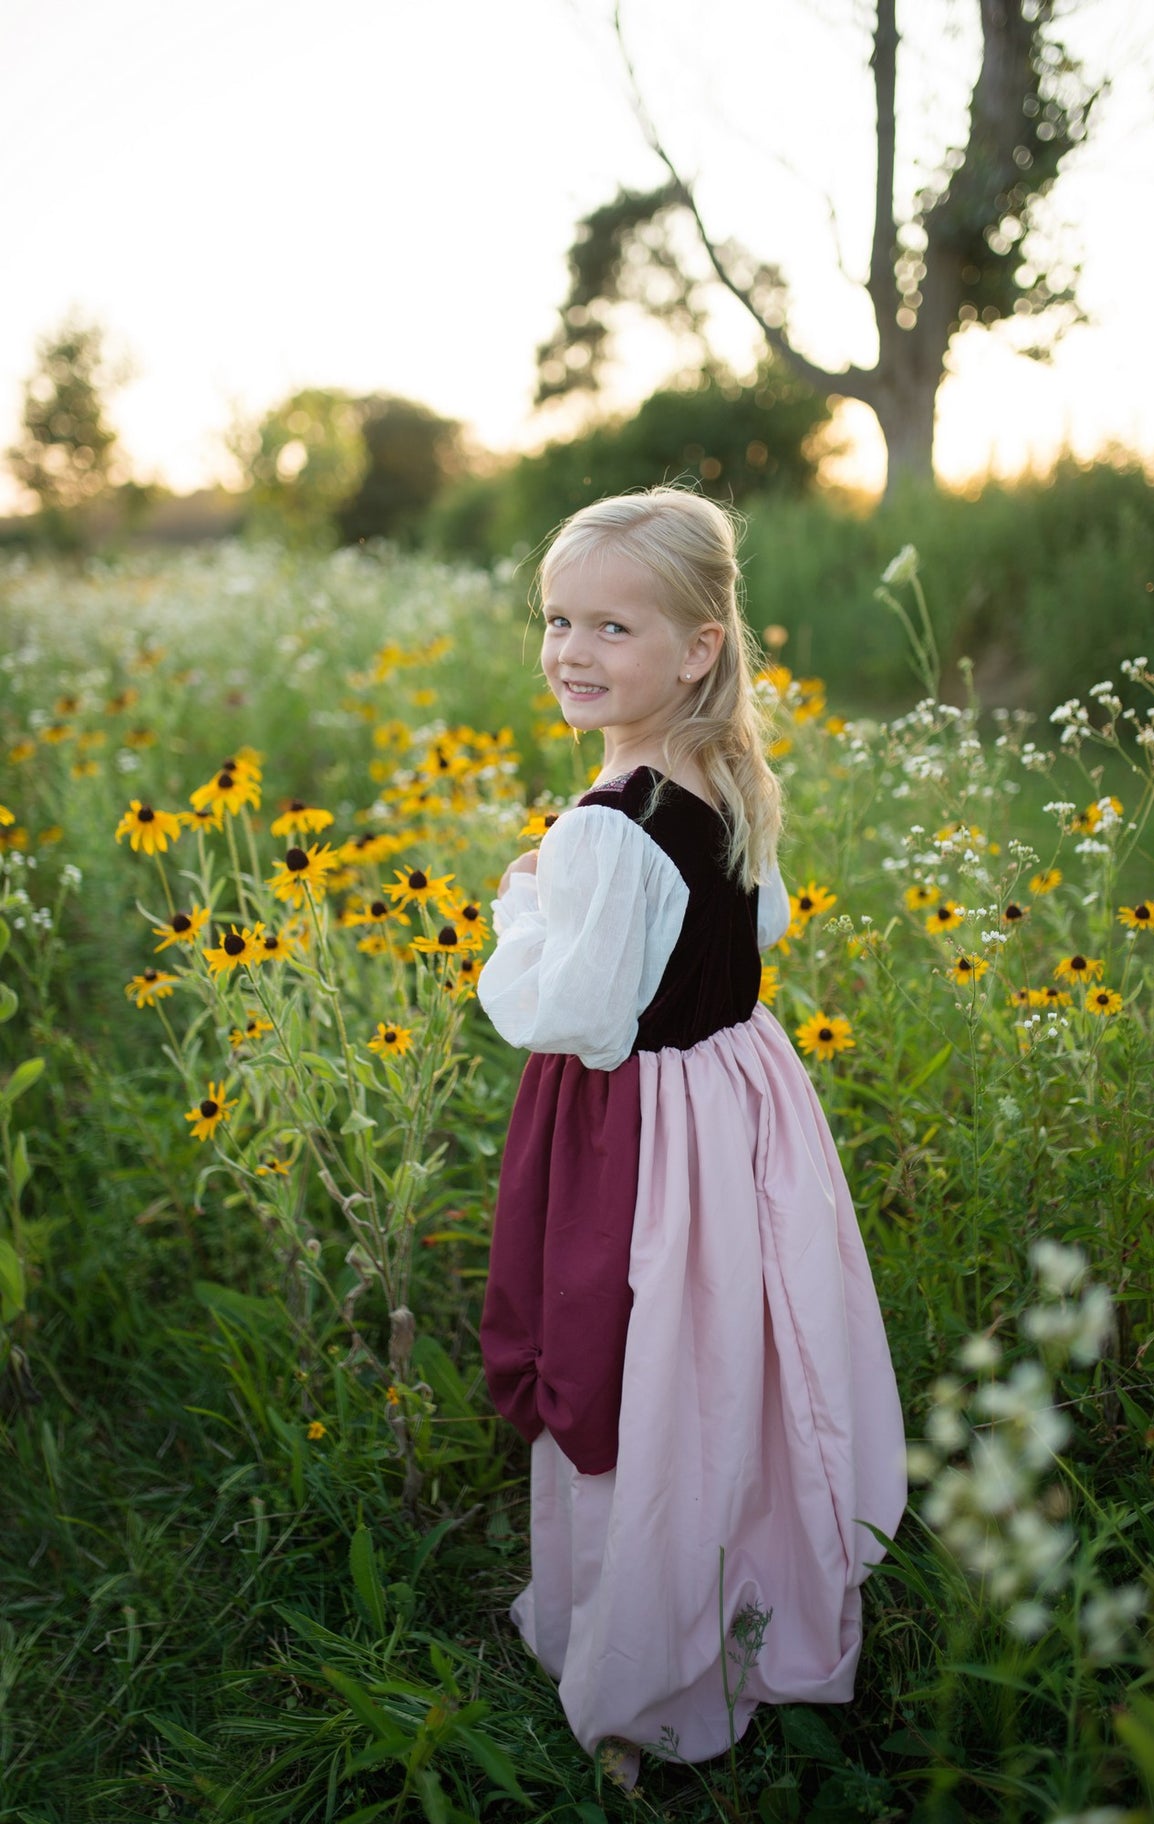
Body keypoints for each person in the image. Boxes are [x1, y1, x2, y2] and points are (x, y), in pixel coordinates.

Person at [476, 487, 906, 1783]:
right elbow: (755, 931)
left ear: (698, 646)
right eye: (558, 620)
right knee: (728, 1350)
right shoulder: (720, 772)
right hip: (733, 1098)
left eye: (613, 627)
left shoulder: (607, 832)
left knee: (637, 1358)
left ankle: (639, 1657)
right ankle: (731, 1579)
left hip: (636, 1127)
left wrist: (522, 910)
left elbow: (574, 1012)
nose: (570, 651)